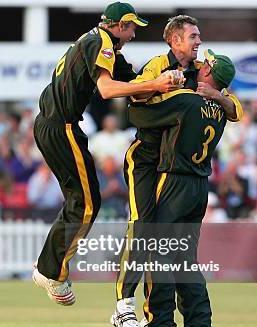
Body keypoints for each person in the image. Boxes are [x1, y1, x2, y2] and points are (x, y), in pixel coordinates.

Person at [31, 2, 184, 306]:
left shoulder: (98, 42)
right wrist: (159, 83)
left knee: (82, 200)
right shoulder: (101, 42)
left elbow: (134, 84)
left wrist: (163, 79)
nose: (133, 34)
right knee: (86, 202)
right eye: (130, 28)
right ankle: (52, 272)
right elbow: (107, 90)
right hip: (61, 127)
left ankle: (48, 268)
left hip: (53, 125)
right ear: (118, 25)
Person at [111, 15, 243, 327]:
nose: (199, 42)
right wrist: (158, 85)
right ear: (174, 40)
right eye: (194, 37)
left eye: (199, 36)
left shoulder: (199, 78)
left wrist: (210, 97)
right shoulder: (157, 64)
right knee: (147, 229)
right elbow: (135, 102)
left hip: (171, 170)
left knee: (165, 249)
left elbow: (233, 107)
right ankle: (125, 304)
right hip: (148, 159)